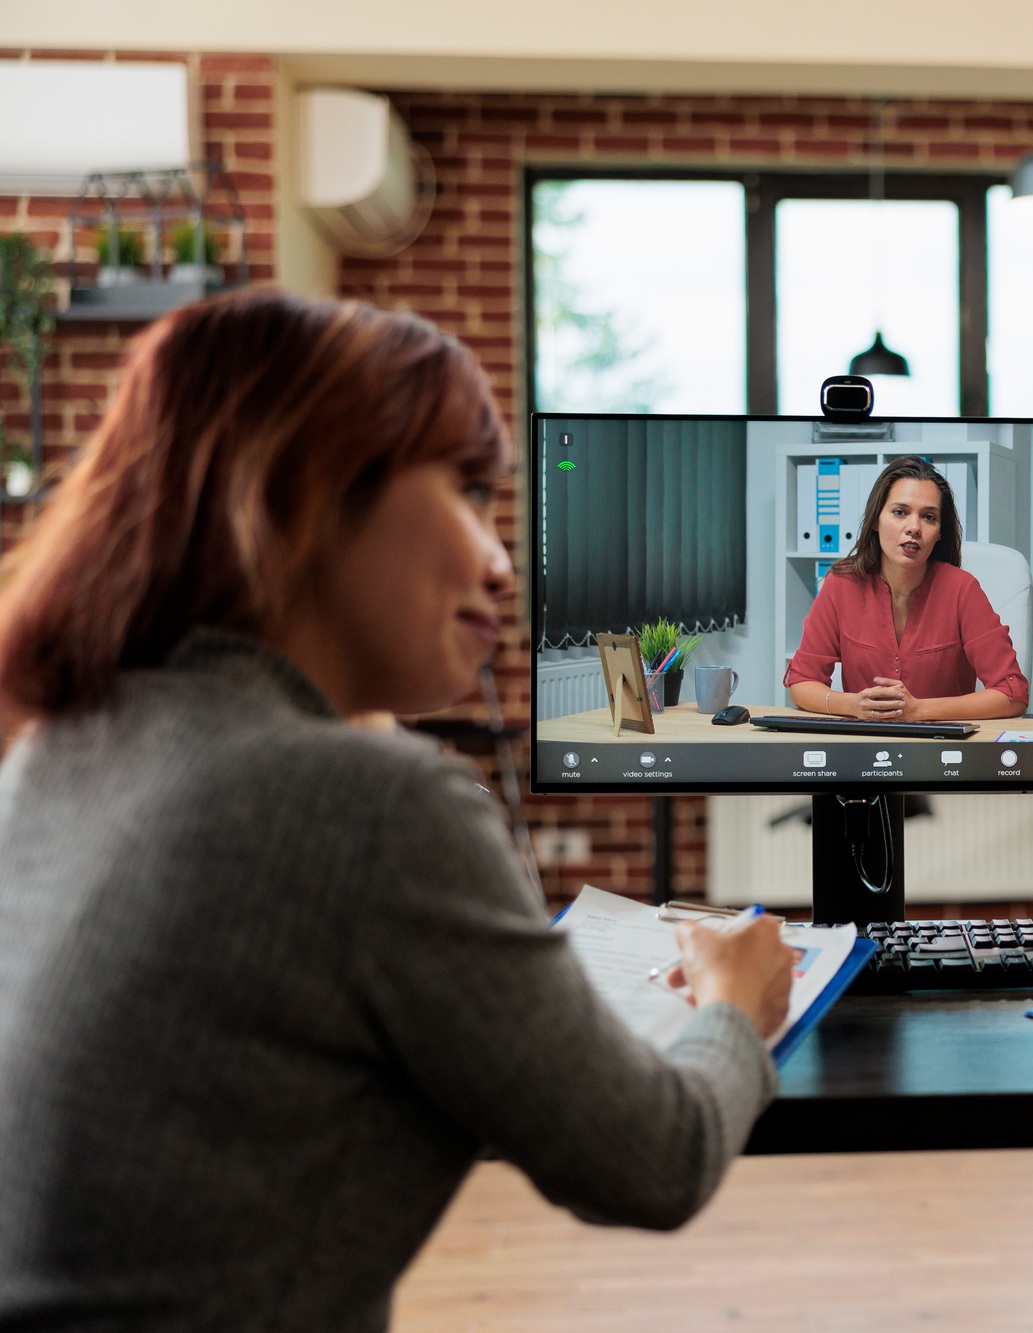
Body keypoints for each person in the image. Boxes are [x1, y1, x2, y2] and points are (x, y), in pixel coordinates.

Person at [0, 291, 797, 1331]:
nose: (501, 560)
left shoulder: (64, 744)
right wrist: (738, 1003)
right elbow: (653, 1159)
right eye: (468, 492)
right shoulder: (365, 802)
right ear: (304, 490)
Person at [785, 455, 1028, 722]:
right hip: (863, 747)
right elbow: (802, 682)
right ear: (875, 520)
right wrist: (852, 704)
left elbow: (1012, 693)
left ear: (939, 532)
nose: (914, 527)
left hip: (943, 753)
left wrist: (919, 710)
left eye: (929, 517)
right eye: (900, 512)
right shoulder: (841, 585)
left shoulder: (962, 590)